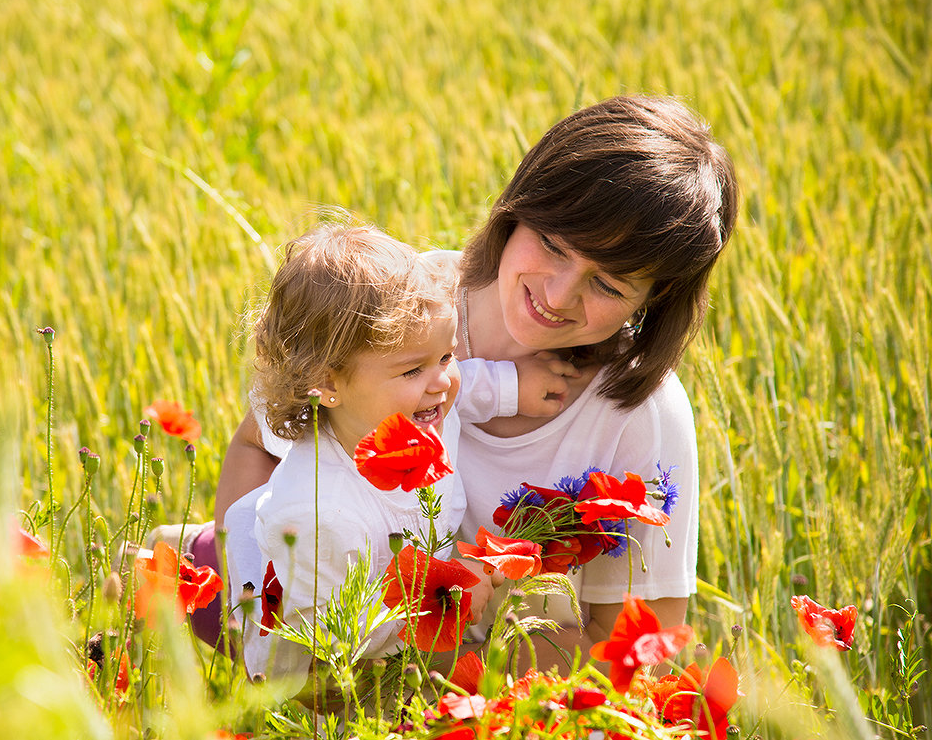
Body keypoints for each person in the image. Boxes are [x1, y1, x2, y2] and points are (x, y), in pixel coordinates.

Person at [215, 95, 739, 670]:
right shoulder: (400, 310)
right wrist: (252, 619)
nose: (559, 296)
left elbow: (641, 653)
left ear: (654, 297)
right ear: (521, 206)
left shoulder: (642, 414)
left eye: (608, 286)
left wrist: (429, 669)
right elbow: (254, 447)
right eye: (553, 246)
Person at [221, 223, 581, 693]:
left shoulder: (418, 405)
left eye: (446, 356)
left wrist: (515, 386)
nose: (440, 381)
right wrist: (449, 589)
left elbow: (465, 386)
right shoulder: (318, 513)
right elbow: (342, 635)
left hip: (400, 602)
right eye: (413, 368)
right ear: (328, 384)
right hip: (318, 662)